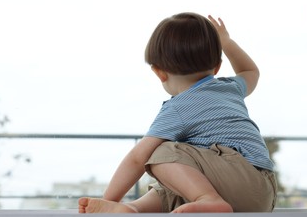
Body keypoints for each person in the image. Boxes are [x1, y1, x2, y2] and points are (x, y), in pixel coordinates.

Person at [78, 12, 277, 213]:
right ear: (217, 66)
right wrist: (226, 42)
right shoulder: (230, 87)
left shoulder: (179, 107)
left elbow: (137, 159)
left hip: (235, 182)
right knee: (176, 182)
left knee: (161, 153)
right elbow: (251, 72)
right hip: (264, 191)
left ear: (159, 72)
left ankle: (207, 199)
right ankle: (133, 209)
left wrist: (109, 199)